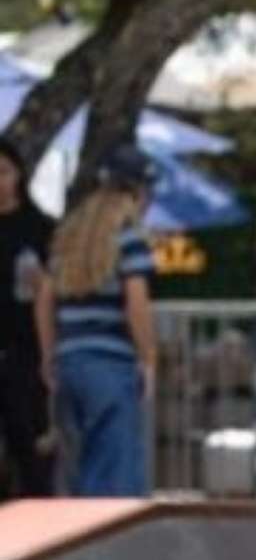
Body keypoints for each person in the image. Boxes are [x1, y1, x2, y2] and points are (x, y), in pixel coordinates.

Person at [35, 144, 158, 498]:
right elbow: (137, 303)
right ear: (138, 191)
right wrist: (148, 359)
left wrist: (49, 355)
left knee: (77, 470)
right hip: (110, 365)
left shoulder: (69, 239)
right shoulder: (129, 237)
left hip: (69, 363)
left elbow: (44, 298)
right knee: (114, 475)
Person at [0, 134, 56, 497]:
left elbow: (50, 295)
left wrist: (48, 356)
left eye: (3, 172)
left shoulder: (40, 229)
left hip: (25, 352)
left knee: (32, 450)